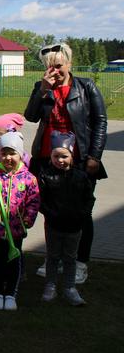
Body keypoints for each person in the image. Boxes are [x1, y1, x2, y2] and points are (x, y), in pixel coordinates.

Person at [25, 42, 107, 285]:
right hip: (47, 160)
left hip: (80, 161)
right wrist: (43, 90)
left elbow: (100, 122)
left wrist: (94, 156)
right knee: (51, 210)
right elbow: (30, 116)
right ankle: (54, 259)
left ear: (69, 64)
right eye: (50, 67)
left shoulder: (85, 86)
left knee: (81, 212)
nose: (55, 71)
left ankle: (79, 262)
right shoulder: (42, 87)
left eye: (59, 66)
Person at [0, 132, 40, 311]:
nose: (8, 158)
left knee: (14, 261)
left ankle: (11, 293)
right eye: (4, 153)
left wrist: (28, 218)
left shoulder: (28, 178)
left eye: (12, 153)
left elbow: (34, 200)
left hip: (16, 229)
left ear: (20, 154)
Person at [37, 132, 94, 306]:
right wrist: (50, 213)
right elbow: (40, 200)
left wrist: (82, 215)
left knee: (70, 257)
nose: (60, 160)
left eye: (64, 156)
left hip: (74, 226)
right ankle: (50, 285)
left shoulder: (81, 177)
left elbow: (89, 198)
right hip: (54, 225)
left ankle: (70, 288)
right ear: (51, 156)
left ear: (71, 156)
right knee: (53, 256)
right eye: (56, 156)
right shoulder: (46, 176)